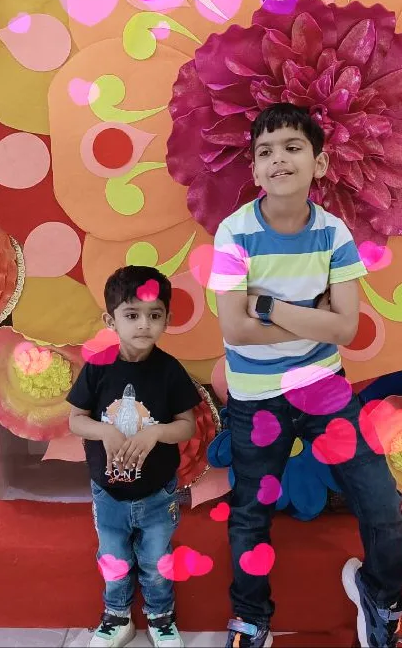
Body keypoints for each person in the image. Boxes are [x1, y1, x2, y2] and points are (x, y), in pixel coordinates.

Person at [211, 103, 402, 648]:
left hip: (324, 391)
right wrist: (312, 320)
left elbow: (345, 329)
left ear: (318, 163)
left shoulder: (333, 233)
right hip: (256, 398)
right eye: (265, 152)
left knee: (382, 502)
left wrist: (267, 306)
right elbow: (234, 331)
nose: (278, 160)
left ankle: (382, 596)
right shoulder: (234, 233)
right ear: (254, 169)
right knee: (249, 514)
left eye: (292, 147)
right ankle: (251, 618)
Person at [67, 265, 201, 648]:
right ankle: (117, 618)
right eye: (132, 315)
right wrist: (105, 429)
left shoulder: (170, 370)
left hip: (158, 492)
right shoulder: (97, 368)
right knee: (113, 558)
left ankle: (161, 617)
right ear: (111, 320)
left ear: (167, 320)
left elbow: (187, 426)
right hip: (107, 492)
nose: (144, 325)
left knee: (157, 560)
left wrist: (157, 431)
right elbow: (76, 420)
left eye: (154, 315)